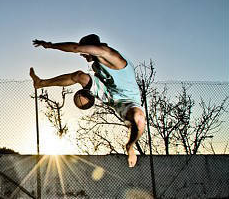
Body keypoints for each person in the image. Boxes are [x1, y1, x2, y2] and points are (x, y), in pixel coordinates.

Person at [30, 34, 145, 167]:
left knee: (138, 117)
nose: (82, 55)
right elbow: (79, 51)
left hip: (127, 100)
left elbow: (75, 48)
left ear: (90, 49)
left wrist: (50, 45)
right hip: (107, 92)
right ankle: (41, 83)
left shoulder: (108, 53)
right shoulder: (97, 64)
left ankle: (130, 146)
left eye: (84, 53)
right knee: (80, 76)